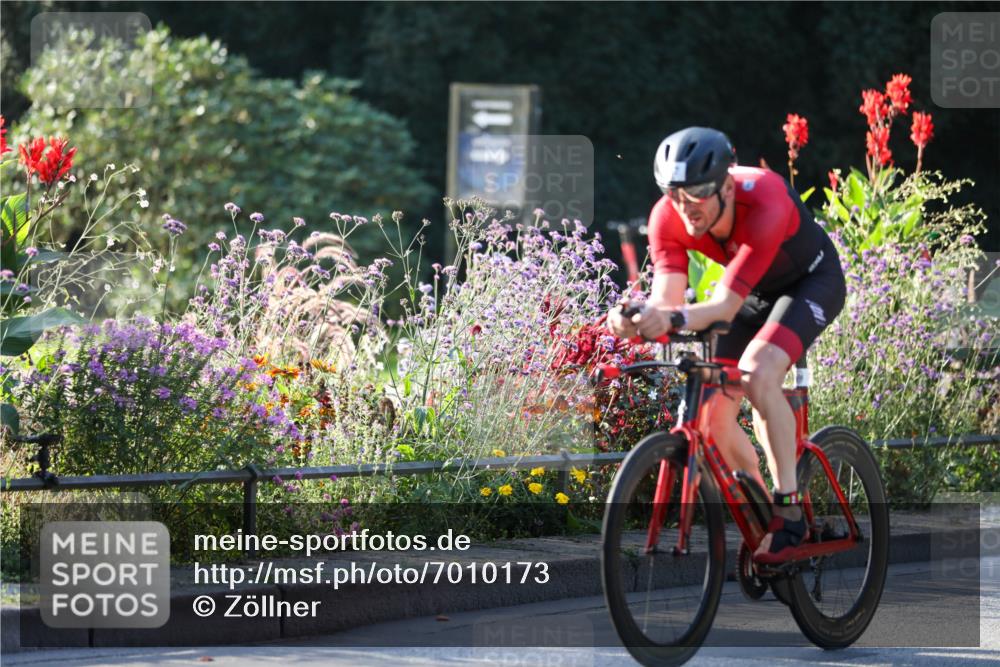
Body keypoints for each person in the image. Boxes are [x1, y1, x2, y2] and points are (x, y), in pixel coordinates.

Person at [605, 127, 846, 564]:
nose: (685, 207)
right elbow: (668, 301)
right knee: (713, 418)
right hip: (752, 292)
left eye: (697, 192)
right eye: (674, 193)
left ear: (728, 186)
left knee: (758, 371)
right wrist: (633, 317)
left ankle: (789, 510)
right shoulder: (667, 217)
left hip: (810, 281)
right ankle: (760, 508)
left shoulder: (766, 198)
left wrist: (671, 318)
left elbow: (723, 305)